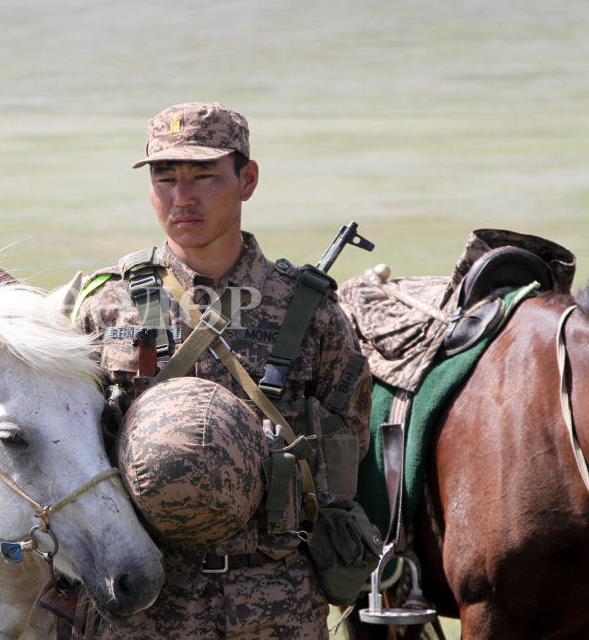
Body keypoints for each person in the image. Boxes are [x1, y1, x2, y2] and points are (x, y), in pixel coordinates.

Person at [72, 102, 373, 640]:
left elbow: (348, 444)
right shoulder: (109, 305)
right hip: (146, 600)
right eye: (164, 178)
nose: (181, 197)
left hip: (277, 598)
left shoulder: (308, 312)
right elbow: (70, 448)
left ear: (247, 179)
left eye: (204, 176)